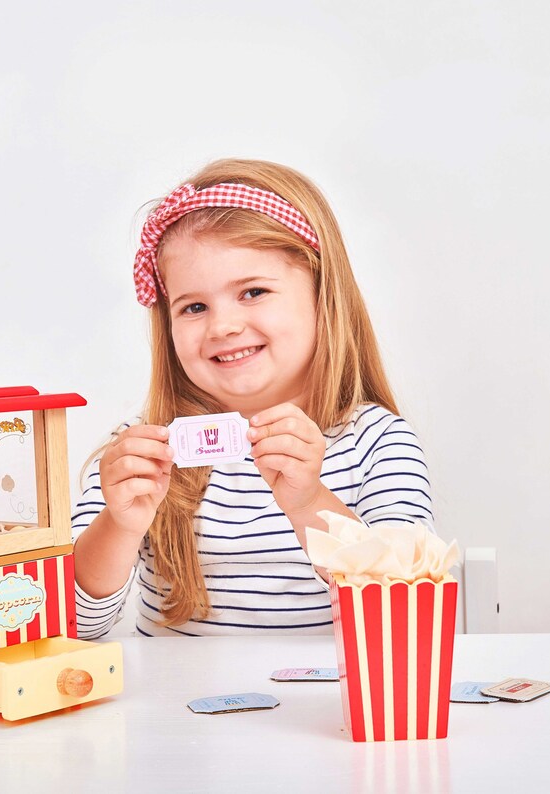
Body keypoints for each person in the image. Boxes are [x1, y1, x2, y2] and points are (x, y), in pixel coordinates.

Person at [72, 159, 432, 638]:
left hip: (329, 711)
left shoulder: (376, 442)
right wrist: (119, 524)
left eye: (254, 291)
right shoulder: (143, 451)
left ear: (323, 296)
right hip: (176, 712)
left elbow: (404, 613)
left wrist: (308, 500)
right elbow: (73, 626)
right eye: (194, 306)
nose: (222, 326)